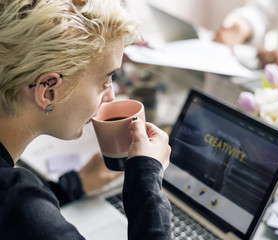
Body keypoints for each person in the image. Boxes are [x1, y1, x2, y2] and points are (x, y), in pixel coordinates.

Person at [0, 0, 172, 239]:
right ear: (49, 90)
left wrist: (74, 185)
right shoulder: (18, 204)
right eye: (106, 79)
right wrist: (148, 182)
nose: (110, 96)